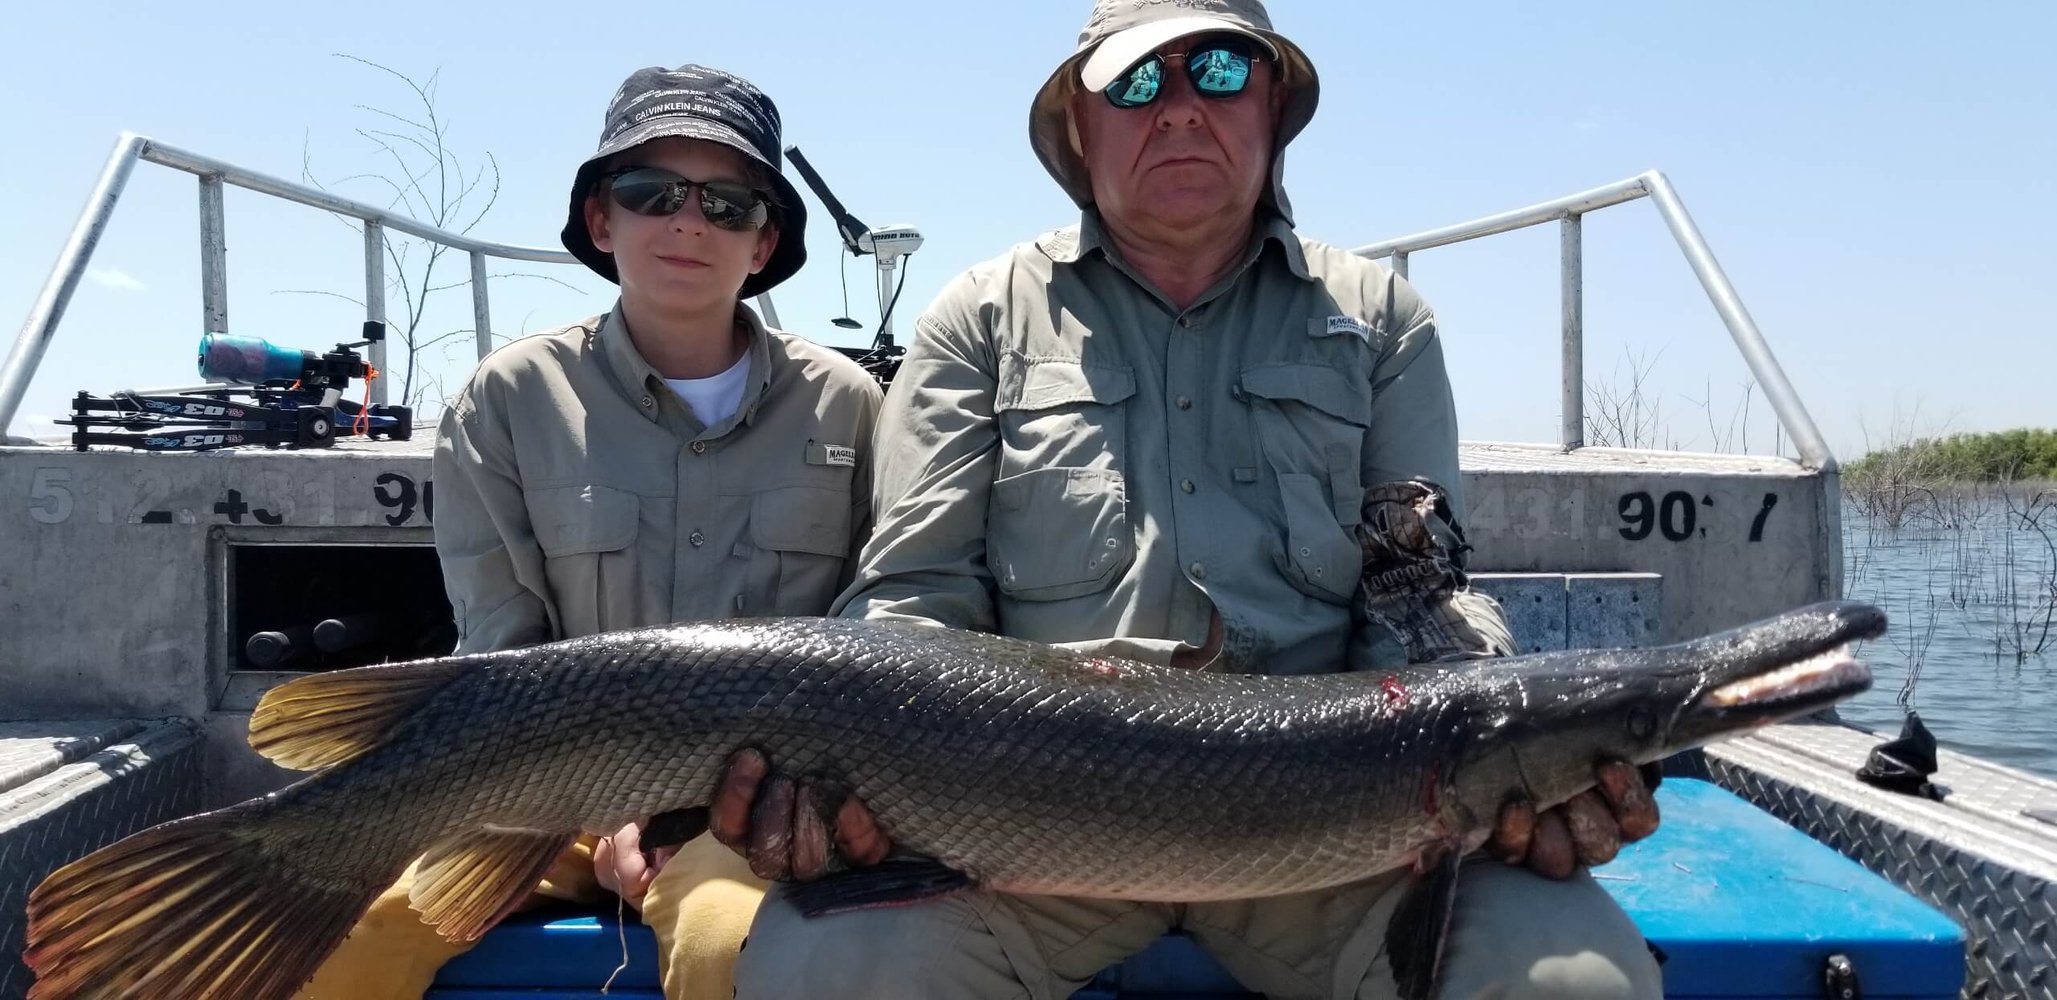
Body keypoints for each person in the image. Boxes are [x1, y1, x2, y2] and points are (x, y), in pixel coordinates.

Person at [716, 3, 1667, 998]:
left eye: (1216, 71)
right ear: (1079, 131)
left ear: (1272, 105)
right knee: (827, 973)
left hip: (1342, 836)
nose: (1176, 109)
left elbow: (1415, 601)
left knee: (1571, 985)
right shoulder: (977, 321)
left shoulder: (1379, 322)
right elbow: (912, 603)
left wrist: (1507, 760)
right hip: (1012, 834)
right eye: (1132, 83)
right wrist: (849, 781)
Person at [291, 63, 883, 1000]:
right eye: (652, 193)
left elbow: (870, 651)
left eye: (728, 204)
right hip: (530, 796)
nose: (689, 221)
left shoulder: (851, 406)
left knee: (740, 946)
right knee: (342, 939)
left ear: (765, 243)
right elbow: (501, 645)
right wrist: (597, 810)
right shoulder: (507, 396)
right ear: (603, 221)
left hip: (754, 820)